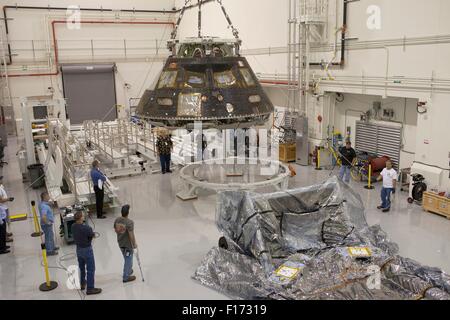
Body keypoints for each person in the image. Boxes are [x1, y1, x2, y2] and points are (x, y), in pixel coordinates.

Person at [71, 211, 102, 295]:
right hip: (87, 250)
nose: (84, 216)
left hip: (79, 250)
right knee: (91, 269)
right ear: (81, 218)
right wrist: (92, 235)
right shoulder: (87, 228)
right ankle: (90, 288)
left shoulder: (73, 226)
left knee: (81, 267)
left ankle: (82, 283)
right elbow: (92, 235)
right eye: (83, 215)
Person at [113, 205, 137, 283]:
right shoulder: (129, 222)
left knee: (127, 257)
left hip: (120, 243)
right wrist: (134, 244)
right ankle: (126, 277)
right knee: (128, 259)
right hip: (127, 245)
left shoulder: (117, 220)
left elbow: (115, 230)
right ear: (128, 213)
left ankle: (129, 270)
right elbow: (131, 234)